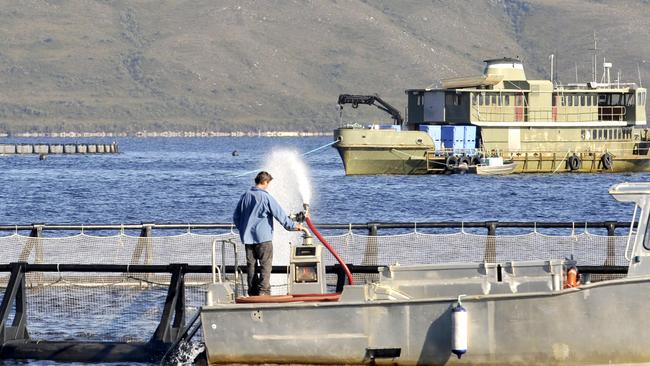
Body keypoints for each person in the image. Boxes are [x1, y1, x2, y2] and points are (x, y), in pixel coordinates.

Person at [233, 171, 304, 296]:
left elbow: (236, 217)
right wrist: (293, 226)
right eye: (268, 183)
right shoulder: (266, 197)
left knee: (251, 266)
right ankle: (264, 292)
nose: (268, 186)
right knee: (266, 266)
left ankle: (252, 293)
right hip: (264, 238)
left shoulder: (245, 196)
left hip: (248, 239)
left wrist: (244, 229)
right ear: (265, 182)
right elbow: (280, 215)